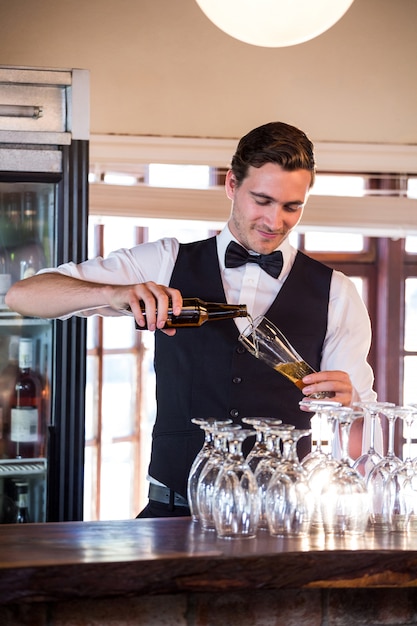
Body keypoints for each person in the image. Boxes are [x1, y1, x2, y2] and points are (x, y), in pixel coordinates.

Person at [5, 121, 377, 518]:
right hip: (171, 514)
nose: (275, 221)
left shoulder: (335, 292)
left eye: (292, 207)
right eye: (262, 200)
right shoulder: (165, 261)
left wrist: (350, 403)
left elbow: (362, 428)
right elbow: (24, 295)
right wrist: (113, 294)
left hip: (280, 520)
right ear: (232, 185)